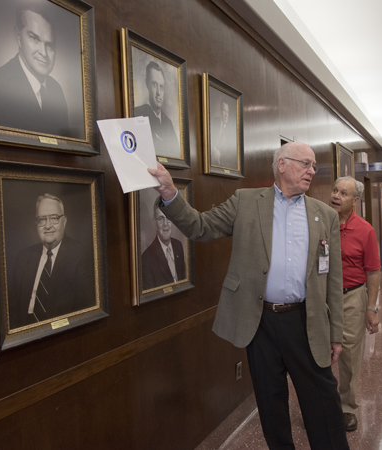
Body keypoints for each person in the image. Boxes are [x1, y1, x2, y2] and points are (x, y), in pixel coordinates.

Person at [148, 142, 350, 450]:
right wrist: (169, 193)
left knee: (323, 403)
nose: (312, 171)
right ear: (282, 164)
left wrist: (337, 333)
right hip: (260, 323)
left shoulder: (324, 215)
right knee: (271, 405)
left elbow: (333, 280)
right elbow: (200, 227)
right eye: (306, 164)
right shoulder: (245, 202)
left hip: (307, 322)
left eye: (314, 166)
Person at [329, 176, 381, 432]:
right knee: (318, 351)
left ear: (356, 200)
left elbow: (373, 271)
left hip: (352, 295)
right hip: (322, 297)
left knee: (349, 353)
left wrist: (372, 308)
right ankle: (323, 405)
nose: (336, 196)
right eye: (335, 191)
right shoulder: (320, 223)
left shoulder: (365, 230)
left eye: (344, 193)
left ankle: (347, 407)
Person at [8, 193, 95, 329]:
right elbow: (12, 306)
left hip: (61, 332)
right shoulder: (23, 257)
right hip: (24, 332)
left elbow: (86, 307)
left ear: (64, 221)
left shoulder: (80, 253)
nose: (47, 226)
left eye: (54, 218)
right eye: (42, 219)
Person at [0, 3, 69, 136]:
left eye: (49, 45)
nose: (44, 53)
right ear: (18, 36)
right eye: (34, 38)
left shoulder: (56, 90)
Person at [134, 61, 180, 158]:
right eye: (154, 84)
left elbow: (176, 156)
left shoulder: (168, 123)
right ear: (147, 84)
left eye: (161, 86)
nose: (159, 92)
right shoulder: (136, 114)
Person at [141, 200, 186, 290]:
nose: (165, 224)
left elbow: (183, 283)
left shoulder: (178, 246)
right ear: (155, 223)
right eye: (161, 218)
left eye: (168, 218)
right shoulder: (146, 258)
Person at [210, 98, 238, 169]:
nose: (226, 115)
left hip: (222, 164)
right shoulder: (215, 122)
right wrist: (213, 149)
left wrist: (219, 156)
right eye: (224, 111)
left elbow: (233, 157)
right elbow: (208, 140)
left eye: (227, 112)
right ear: (220, 110)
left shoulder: (232, 130)